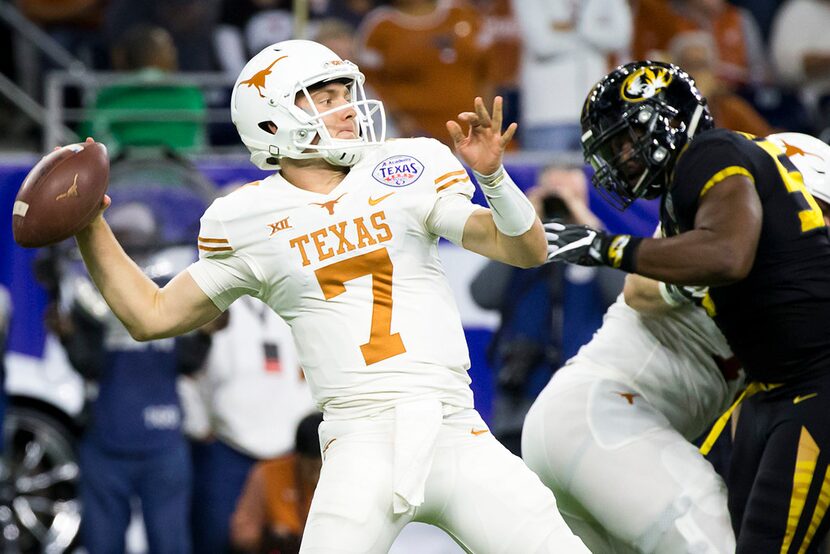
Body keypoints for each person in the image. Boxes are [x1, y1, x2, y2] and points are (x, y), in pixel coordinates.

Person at [72, 39, 589, 552]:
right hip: (358, 440)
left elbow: (524, 250)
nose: (346, 107)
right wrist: (89, 225)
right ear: (271, 121)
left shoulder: (405, 167)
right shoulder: (248, 219)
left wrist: (494, 179)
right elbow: (151, 315)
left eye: (346, 91)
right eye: (322, 97)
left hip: (455, 426)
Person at [545, 60, 830, 552]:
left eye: (627, 141)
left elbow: (727, 254)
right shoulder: (708, 195)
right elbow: (648, 286)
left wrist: (603, 246)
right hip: (759, 395)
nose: (624, 158)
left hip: (796, 389)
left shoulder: (721, 162)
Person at [54, 202, 199, 553]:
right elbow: (90, 366)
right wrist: (70, 336)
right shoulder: (91, 292)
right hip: (113, 437)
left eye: (130, 237)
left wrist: (205, 333)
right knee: (107, 543)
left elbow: (190, 361)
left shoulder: (168, 289)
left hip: (156, 440)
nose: (127, 244)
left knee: (169, 542)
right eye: (121, 237)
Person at [470, 164, 620, 455]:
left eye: (571, 195)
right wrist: (521, 224)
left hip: (583, 406)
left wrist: (587, 227)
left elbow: (624, 293)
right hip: (520, 408)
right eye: (552, 195)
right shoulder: (518, 250)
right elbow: (482, 294)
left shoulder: (596, 252)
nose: (560, 204)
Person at [181, 294, 314, 554]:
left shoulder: (294, 297)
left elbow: (314, 368)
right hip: (227, 448)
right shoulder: (211, 296)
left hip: (286, 450)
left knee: (292, 540)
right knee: (216, 537)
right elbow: (188, 369)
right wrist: (197, 425)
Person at [511, 0, 632, 152]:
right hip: (547, 116)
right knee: (549, 175)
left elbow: (621, 37)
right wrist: (595, 36)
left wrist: (578, 29)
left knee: (595, 175)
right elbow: (541, 43)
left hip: (595, 115)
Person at [230, 411, 325, 554]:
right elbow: (242, 534)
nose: (316, 476)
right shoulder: (267, 474)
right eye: (311, 468)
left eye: (322, 468)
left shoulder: (348, 477)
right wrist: (268, 537)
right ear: (297, 458)